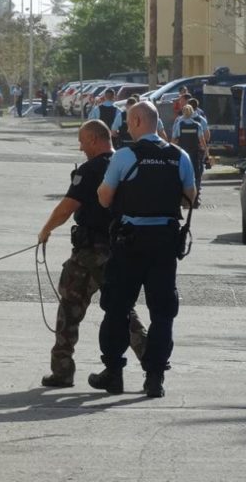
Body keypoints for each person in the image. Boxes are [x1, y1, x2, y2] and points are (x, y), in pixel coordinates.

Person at [89, 101, 197, 398]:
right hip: (164, 242)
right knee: (163, 312)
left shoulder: (125, 156)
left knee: (117, 308)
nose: (125, 126)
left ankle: (113, 373)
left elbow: (105, 199)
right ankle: (155, 379)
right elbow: (190, 197)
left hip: (130, 242)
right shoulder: (179, 156)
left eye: (127, 121)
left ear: (137, 121)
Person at [38, 119, 147, 388]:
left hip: (91, 252)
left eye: (83, 141)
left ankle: (62, 370)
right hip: (120, 248)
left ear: (96, 140)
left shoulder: (90, 169)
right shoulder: (126, 165)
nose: (80, 146)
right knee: (123, 310)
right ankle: (152, 364)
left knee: (70, 307)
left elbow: (66, 208)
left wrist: (46, 231)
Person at [172, 104, 207, 206]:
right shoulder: (197, 125)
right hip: (194, 154)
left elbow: (174, 140)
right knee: (195, 176)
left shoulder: (179, 124)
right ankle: (194, 200)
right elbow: (202, 141)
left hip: (182, 154)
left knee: (180, 176)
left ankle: (182, 199)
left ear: (183, 113)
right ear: (192, 113)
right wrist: (206, 153)